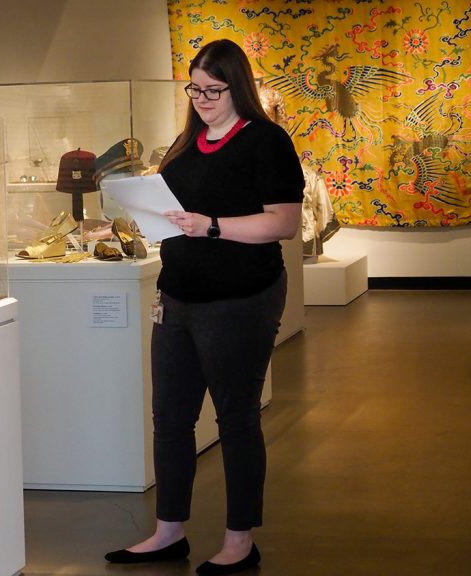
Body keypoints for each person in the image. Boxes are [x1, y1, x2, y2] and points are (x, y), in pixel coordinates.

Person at [104, 39, 304, 575]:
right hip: (178, 298)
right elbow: (171, 210)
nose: (202, 99)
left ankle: (240, 540)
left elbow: (283, 223)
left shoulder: (266, 141)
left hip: (240, 300)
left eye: (213, 89)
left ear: (237, 86)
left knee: (237, 419)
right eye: (194, 88)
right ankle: (169, 531)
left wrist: (211, 225)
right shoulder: (186, 143)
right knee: (169, 419)